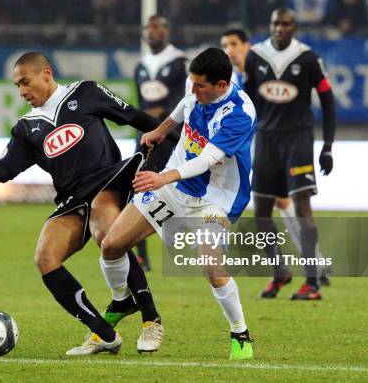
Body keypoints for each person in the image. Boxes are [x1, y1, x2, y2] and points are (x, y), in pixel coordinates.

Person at [0, 52, 164, 355]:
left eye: (25, 82)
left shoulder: (86, 92)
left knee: (106, 233)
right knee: (45, 257)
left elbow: (137, 118)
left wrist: (169, 148)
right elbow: (5, 171)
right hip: (71, 198)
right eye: (16, 86)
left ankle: (151, 319)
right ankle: (104, 334)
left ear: (47, 73)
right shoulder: (27, 129)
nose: (22, 91)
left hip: (106, 181)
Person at [99, 47, 256, 360]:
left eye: (200, 86)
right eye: (192, 83)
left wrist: (162, 177)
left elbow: (209, 158)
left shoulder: (240, 114)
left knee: (210, 261)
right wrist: (160, 129)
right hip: (176, 187)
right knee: (111, 244)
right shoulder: (195, 89)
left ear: (221, 86)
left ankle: (240, 332)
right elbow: (186, 104)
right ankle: (122, 300)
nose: (193, 90)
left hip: (215, 199)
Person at [221, 28, 330, 288]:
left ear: (247, 45)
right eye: (225, 45)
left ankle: (310, 263)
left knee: (281, 202)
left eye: (234, 44)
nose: (229, 50)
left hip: (275, 141)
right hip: (250, 144)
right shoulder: (231, 77)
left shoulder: (261, 66)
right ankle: (304, 264)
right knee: (274, 205)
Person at [244, 8, 336, 300]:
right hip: (266, 139)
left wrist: (328, 147)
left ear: (294, 27)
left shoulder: (308, 58)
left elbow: (328, 100)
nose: (280, 28)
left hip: (297, 138)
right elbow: (247, 101)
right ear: (270, 26)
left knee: (302, 206)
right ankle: (280, 271)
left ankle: (312, 282)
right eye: (275, 23)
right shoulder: (255, 56)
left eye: (285, 24)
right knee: (260, 214)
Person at [132, 14, 188, 271]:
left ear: (167, 31)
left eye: (156, 27)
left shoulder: (180, 63)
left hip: (171, 137)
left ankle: (184, 244)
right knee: (138, 188)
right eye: (148, 27)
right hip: (146, 137)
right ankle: (141, 255)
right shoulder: (141, 66)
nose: (151, 31)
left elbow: (183, 103)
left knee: (166, 190)